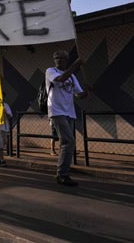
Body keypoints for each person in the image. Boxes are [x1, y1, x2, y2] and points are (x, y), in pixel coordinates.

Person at [46, 50, 88, 186]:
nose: (58, 59)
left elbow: (79, 94)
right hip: (56, 111)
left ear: (66, 60)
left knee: (67, 142)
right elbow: (60, 79)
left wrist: (86, 92)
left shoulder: (72, 77)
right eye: (56, 57)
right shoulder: (50, 71)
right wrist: (76, 65)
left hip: (69, 112)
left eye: (62, 58)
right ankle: (62, 174)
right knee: (68, 141)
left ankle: (62, 172)